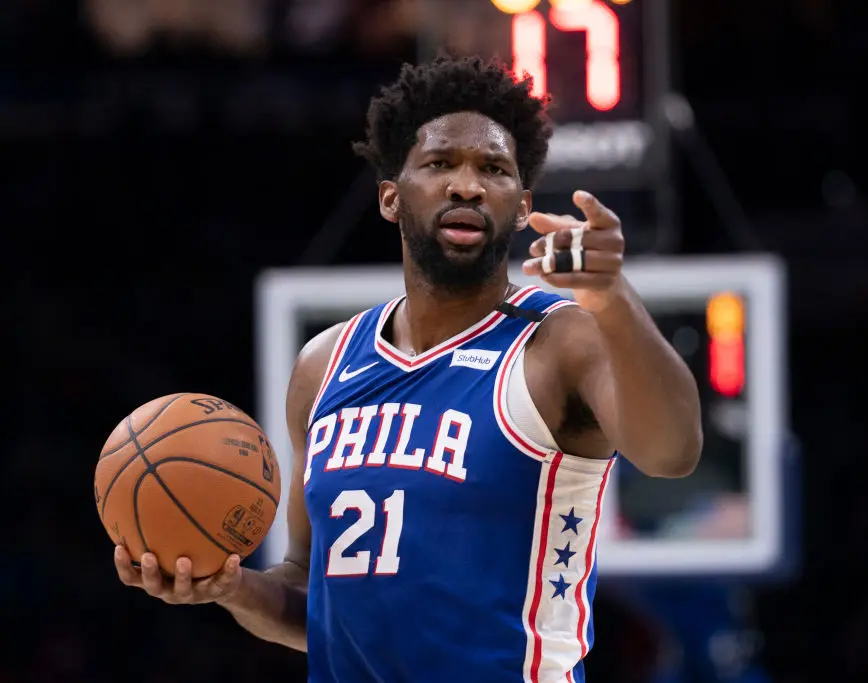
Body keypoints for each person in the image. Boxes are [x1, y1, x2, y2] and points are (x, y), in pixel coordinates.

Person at [113, 55, 703, 682]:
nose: (467, 185)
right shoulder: (325, 365)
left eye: (494, 169)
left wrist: (612, 298)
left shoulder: (558, 340)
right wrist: (226, 589)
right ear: (392, 197)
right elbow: (310, 598)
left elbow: (673, 453)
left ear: (522, 205)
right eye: (441, 163)